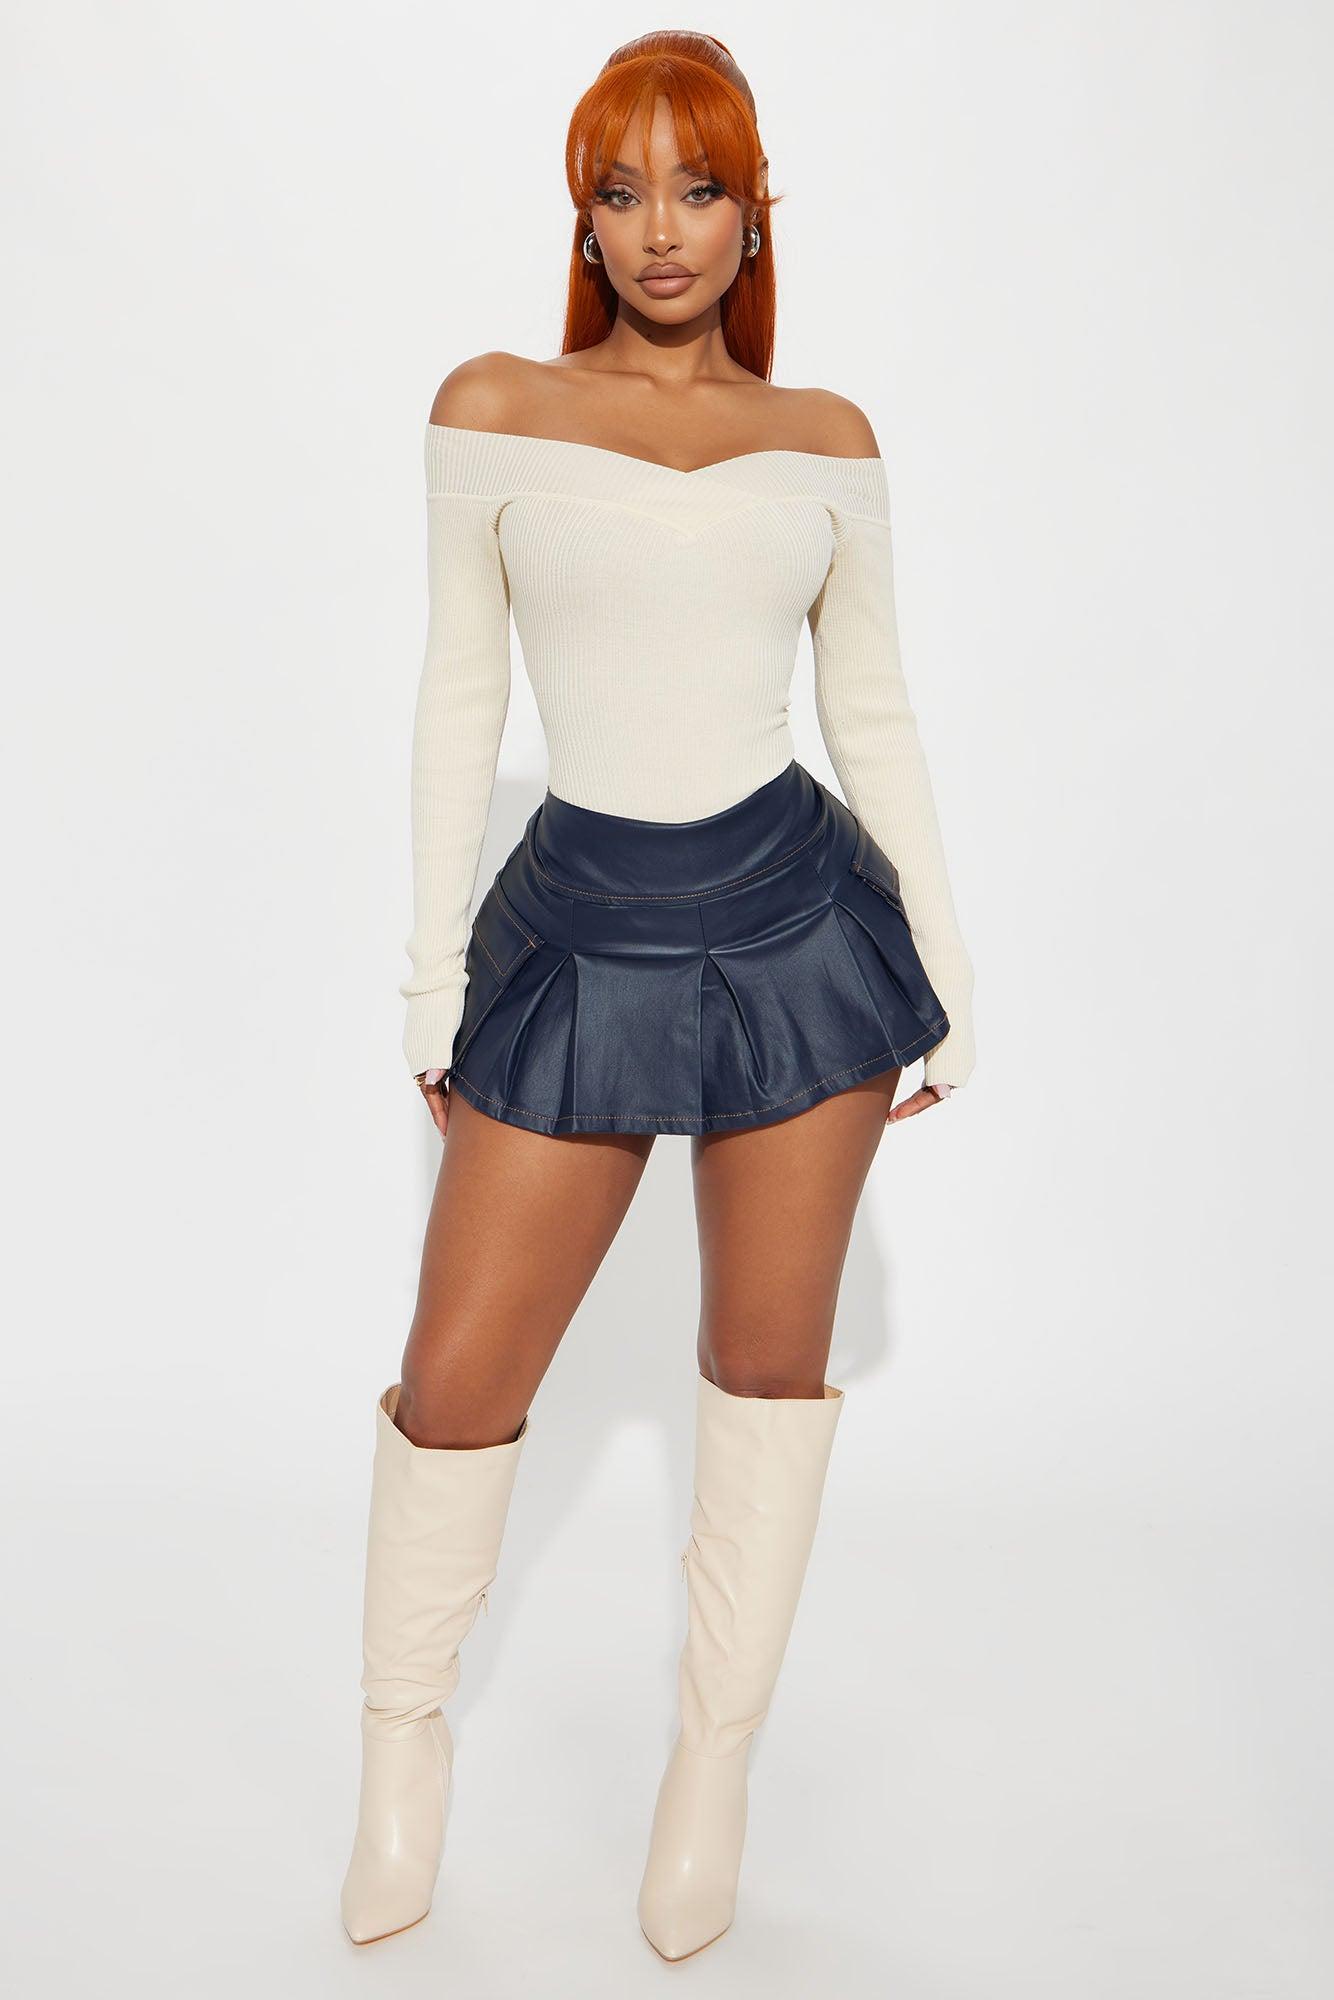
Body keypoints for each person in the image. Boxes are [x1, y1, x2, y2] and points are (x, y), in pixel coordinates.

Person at [340, 29, 976, 1963]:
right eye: (619, 193)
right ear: (583, 219)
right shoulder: (492, 408)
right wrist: (433, 987)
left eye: (697, 188)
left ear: (750, 212)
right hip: (575, 933)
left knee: (765, 1373)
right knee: (459, 1383)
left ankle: (711, 1777)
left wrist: (947, 977)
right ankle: (398, 1763)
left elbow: (873, 713)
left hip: (799, 935)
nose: (660, 229)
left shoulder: (827, 440)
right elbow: (459, 701)